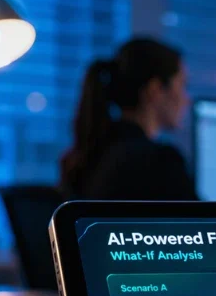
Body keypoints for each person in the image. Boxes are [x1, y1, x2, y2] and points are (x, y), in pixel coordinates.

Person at [60, 38, 197, 201]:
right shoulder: (159, 163)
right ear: (155, 90)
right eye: (182, 86)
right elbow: (205, 224)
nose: (187, 99)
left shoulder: (92, 153)